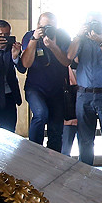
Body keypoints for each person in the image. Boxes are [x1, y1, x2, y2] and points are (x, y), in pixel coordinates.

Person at [68, 16, 102, 176]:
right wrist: (78, 35)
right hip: (84, 94)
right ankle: (86, 172)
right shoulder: (81, 40)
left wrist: (100, 42)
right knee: (85, 138)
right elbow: (69, 57)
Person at [20, 12, 71, 152]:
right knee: (40, 114)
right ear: (38, 26)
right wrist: (34, 40)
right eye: (46, 26)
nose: (49, 29)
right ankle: (34, 152)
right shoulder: (30, 36)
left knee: (56, 128)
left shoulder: (62, 36)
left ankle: (53, 160)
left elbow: (67, 62)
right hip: (35, 88)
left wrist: (53, 46)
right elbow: (25, 63)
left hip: (57, 89)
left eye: (52, 26)